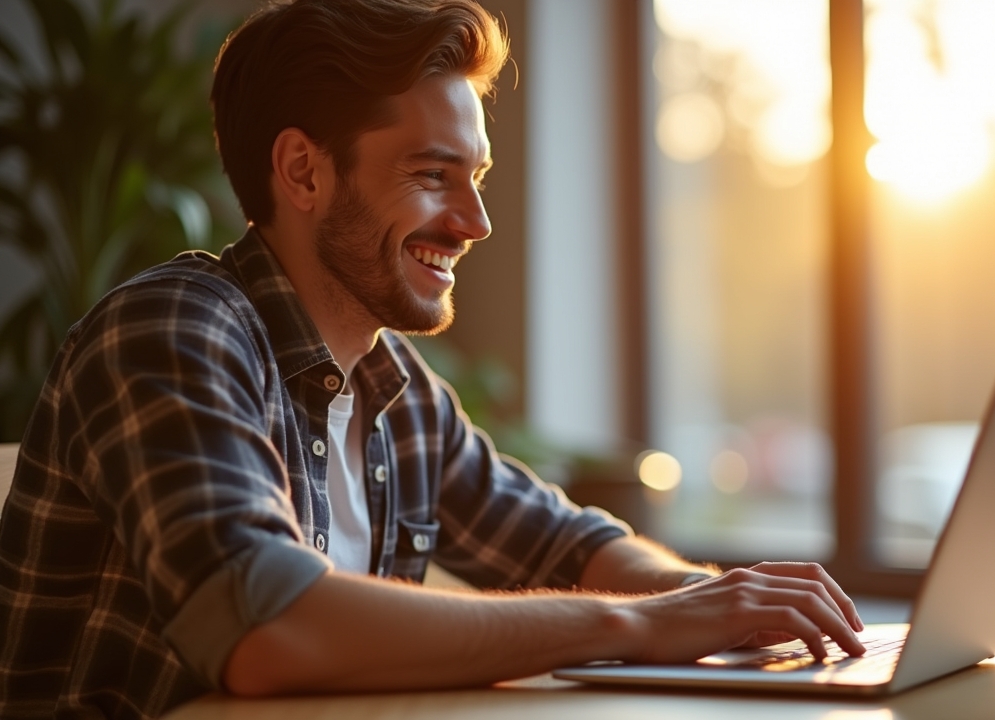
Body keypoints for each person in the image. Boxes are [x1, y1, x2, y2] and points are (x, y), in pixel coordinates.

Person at [0, 1, 863, 718]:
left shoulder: (396, 392)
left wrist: (710, 607)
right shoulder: (173, 330)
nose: (476, 221)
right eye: (432, 174)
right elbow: (263, 627)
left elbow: (572, 547)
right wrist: (638, 628)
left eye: (477, 176)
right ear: (303, 172)